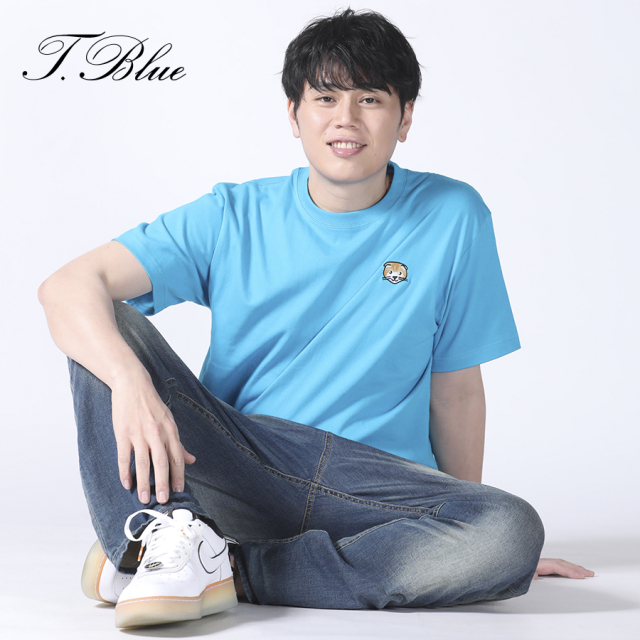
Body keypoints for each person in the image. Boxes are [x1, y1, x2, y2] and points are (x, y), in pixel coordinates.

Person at [38, 8, 593, 630]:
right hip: (246, 463)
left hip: (375, 488)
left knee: (510, 528)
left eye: (370, 99)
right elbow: (66, 287)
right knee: (103, 319)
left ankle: (218, 565)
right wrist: (132, 386)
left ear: (405, 117)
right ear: (294, 114)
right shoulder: (232, 216)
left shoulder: (453, 215)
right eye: (325, 97)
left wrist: (467, 525)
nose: (346, 119)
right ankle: (160, 531)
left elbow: (457, 389)